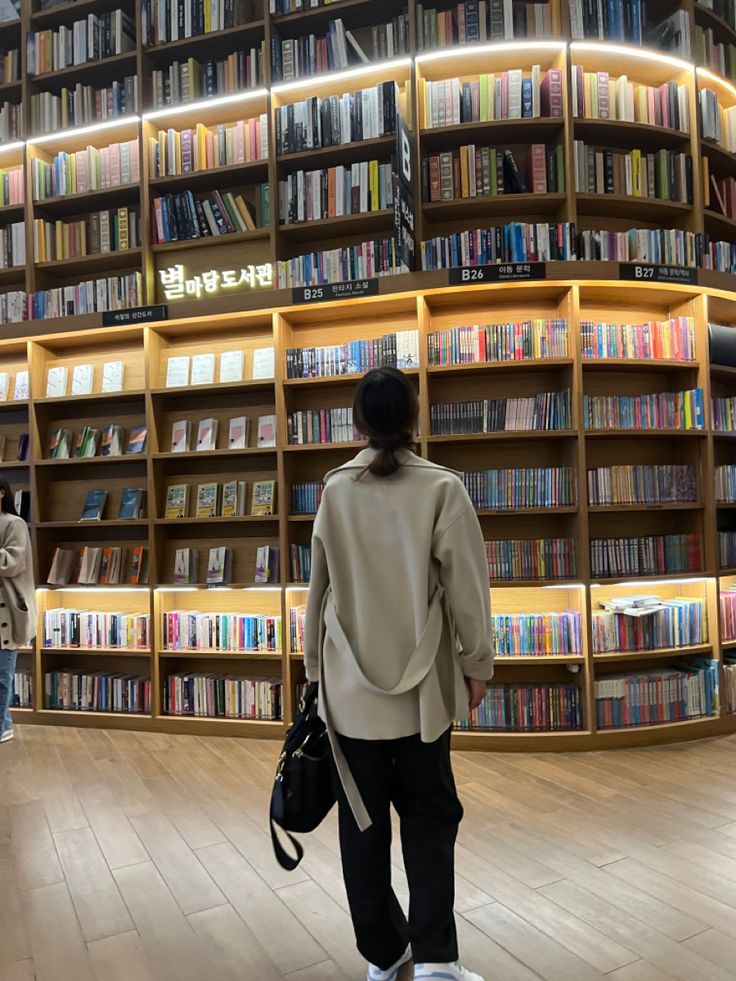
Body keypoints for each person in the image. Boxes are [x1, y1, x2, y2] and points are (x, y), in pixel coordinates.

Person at [304, 367, 493, 981]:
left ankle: (384, 957)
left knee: (362, 829)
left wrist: (312, 668)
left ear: (357, 423)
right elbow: (469, 590)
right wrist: (477, 664)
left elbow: (318, 592)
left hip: (348, 697)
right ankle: (438, 961)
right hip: (424, 699)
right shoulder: (444, 488)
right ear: (414, 419)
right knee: (431, 823)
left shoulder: (335, 488)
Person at [0, 476, 36, 744]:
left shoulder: (14, 523)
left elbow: (11, 563)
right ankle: (5, 724)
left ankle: (2, 727)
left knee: (2, 676)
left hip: (6, 614)